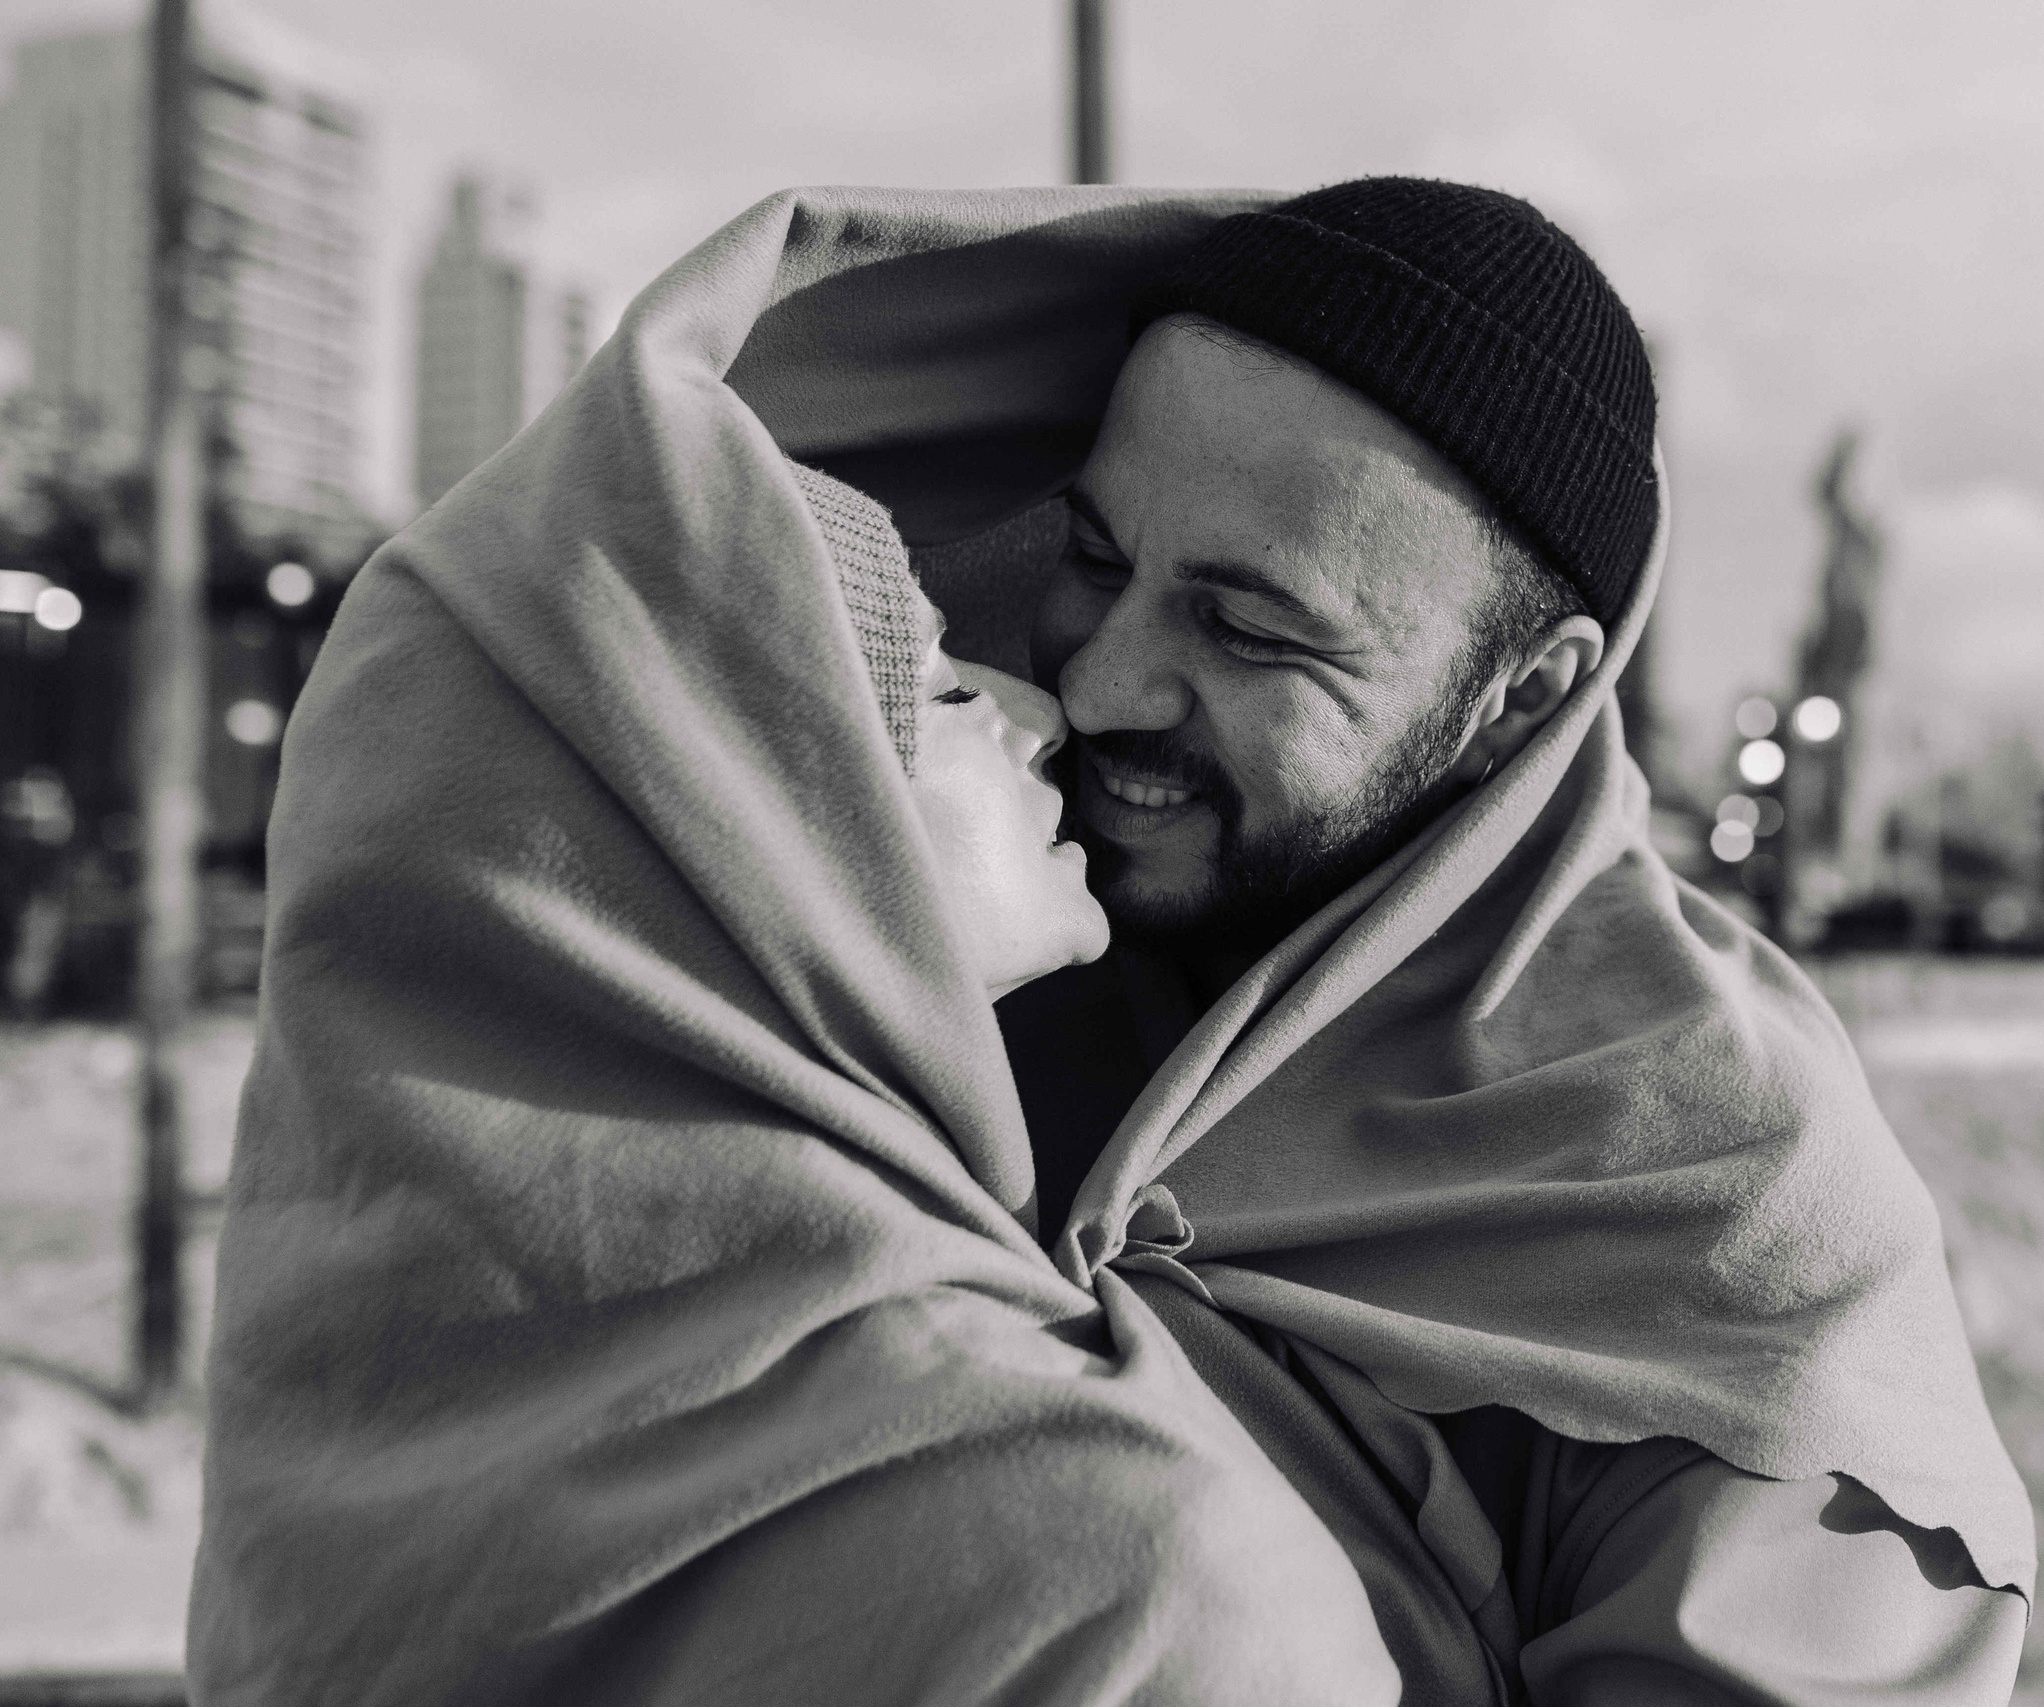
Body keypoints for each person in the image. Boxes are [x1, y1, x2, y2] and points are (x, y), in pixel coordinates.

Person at [188, 190, 1399, 1707]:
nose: (1049, 709)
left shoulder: (355, 1395)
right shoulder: (1131, 1578)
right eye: (940, 694)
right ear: (765, 839)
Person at [995, 178, 2039, 1704]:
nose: (1098, 684)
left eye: (1250, 631)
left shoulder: (1727, 1213)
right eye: (1094, 557)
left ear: (1522, 699)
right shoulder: (963, 923)